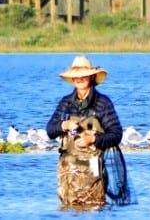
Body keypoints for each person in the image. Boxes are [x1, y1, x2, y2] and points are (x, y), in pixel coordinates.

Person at [47, 55, 131, 210]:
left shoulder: (103, 103)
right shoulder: (65, 103)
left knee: (94, 210)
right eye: (76, 77)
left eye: (83, 76)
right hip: (66, 174)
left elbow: (116, 135)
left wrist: (92, 138)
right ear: (72, 79)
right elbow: (50, 130)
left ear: (91, 77)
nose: (79, 79)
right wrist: (63, 125)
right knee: (66, 211)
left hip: (93, 173)